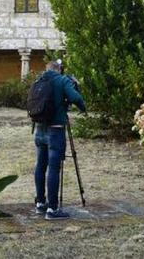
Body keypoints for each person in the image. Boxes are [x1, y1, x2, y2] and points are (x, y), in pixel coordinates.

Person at [32, 59, 86, 220]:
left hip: (39, 128)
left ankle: (40, 204)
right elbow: (75, 98)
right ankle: (53, 209)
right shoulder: (62, 80)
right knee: (54, 168)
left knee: (41, 165)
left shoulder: (39, 80)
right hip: (55, 129)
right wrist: (83, 106)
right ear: (59, 69)